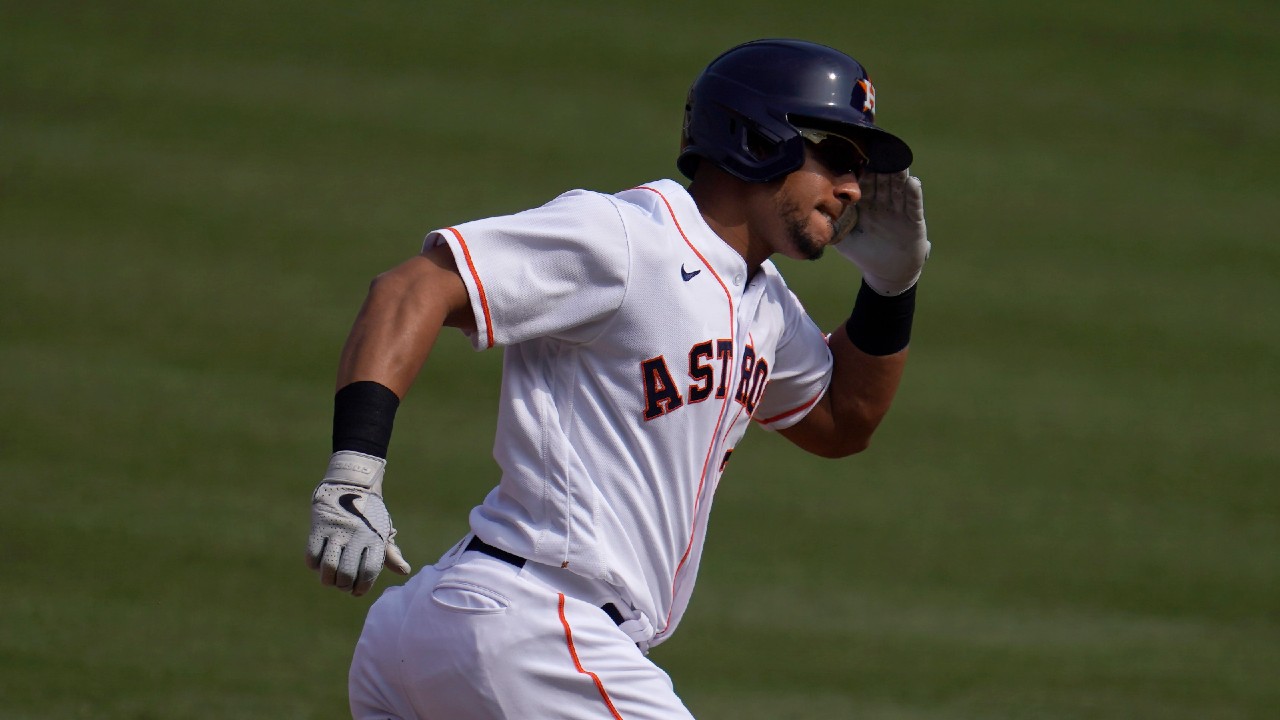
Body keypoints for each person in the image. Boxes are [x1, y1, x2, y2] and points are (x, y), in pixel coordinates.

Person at [305, 38, 930, 719]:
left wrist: (891, 288)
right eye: (837, 156)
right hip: (531, 627)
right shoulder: (629, 238)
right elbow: (412, 289)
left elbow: (843, 421)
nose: (851, 189)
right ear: (759, 138)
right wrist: (353, 471)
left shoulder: (768, 306)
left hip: (455, 629)